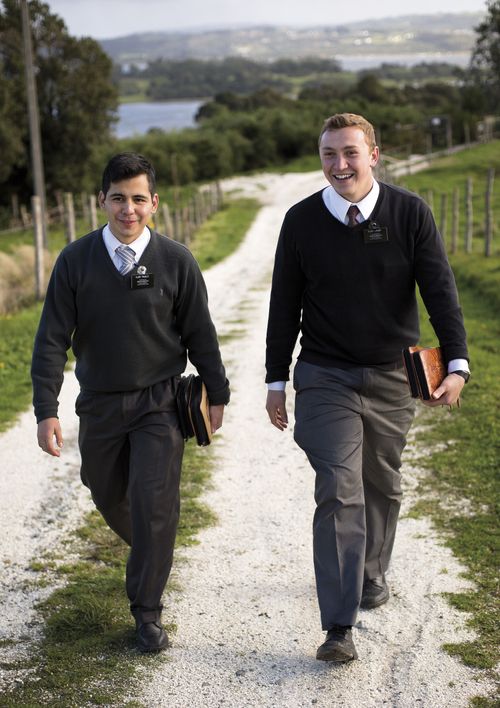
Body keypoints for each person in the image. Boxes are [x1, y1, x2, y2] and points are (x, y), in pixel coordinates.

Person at [265, 113, 469, 663]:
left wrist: (457, 364)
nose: (339, 165)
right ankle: (338, 625)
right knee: (338, 486)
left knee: (382, 482)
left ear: (374, 155)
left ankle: (372, 571)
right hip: (325, 375)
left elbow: (440, 291)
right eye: (329, 154)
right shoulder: (301, 221)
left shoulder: (409, 213)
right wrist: (276, 380)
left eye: (350, 153)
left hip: (391, 376)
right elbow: (283, 305)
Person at [32, 152, 230, 653]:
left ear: (154, 203)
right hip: (98, 403)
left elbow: (200, 333)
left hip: (161, 402)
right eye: (118, 198)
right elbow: (52, 339)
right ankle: (153, 546)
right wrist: (46, 409)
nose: (128, 209)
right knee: (103, 489)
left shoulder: (176, 260)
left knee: (153, 501)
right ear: (102, 200)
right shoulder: (75, 261)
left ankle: (147, 613)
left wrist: (218, 393)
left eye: (138, 199)